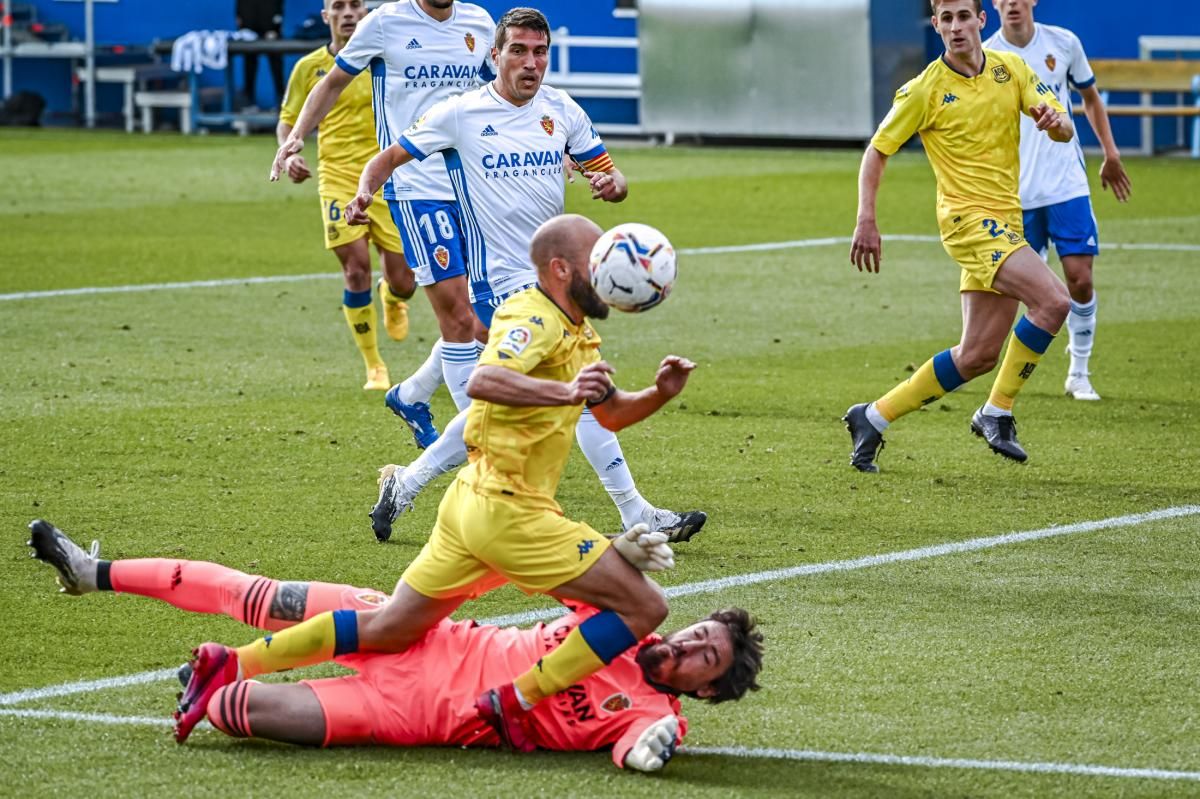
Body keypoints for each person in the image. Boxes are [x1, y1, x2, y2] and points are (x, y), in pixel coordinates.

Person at [174, 214, 700, 753]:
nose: (604, 273)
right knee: (644, 608)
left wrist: (660, 392)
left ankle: (231, 662)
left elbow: (608, 413)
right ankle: (514, 701)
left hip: (472, 502)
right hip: (511, 513)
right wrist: (565, 395)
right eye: (596, 261)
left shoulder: (578, 331)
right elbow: (483, 379)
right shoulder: (532, 317)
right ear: (562, 269)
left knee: (390, 628)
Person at [355, 7, 706, 543]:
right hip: (501, 286)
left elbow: (606, 171)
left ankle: (405, 483)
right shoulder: (461, 113)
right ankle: (636, 513)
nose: (530, 62)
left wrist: (612, 185)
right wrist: (364, 191)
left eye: (539, 52)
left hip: (559, 282)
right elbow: (389, 158)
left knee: (551, 400)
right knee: (578, 392)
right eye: (518, 50)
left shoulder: (561, 109)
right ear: (494, 56)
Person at [27, 519, 763, 771]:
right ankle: (94, 571)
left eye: (707, 657)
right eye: (700, 633)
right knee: (256, 594)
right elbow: (553, 560)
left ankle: (218, 680)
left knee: (238, 711)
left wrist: (653, 746)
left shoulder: (650, 713)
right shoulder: (622, 618)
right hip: (413, 627)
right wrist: (614, 549)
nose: (691, 644)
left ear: (703, 690)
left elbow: (635, 745)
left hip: (410, 709)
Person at [844, 0, 1075, 472]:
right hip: (967, 224)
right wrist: (866, 218)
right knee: (1054, 302)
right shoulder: (923, 89)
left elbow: (1061, 126)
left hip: (1006, 222)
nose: (955, 27)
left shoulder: (1011, 69)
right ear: (936, 25)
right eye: (945, 19)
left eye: (962, 17)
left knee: (977, 355)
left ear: (979, 20)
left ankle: (873, 416)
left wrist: (1058, 123)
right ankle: (998, 412)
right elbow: (877, 151)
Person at [271, 0, 497, 420]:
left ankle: (412, 393)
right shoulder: (384, 24)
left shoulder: (479, 22)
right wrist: (296, 136)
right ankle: (479, 442)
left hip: (472, 185)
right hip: (409, 184)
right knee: (453, 313)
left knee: (484, 316)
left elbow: (498, 92)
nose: (347, 12)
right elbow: (333, 82)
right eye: (338, 7)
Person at [985, 0, 1132, 401]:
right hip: (1015, 190)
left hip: (1066, 183)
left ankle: (1079, 373)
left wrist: (1111, 153)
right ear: (994, 5)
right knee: (1012, 290)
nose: (1012, 4)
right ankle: (982, 359)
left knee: (1080, 279)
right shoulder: (988, 55)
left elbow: (1090, 97)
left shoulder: (1064, 43)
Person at [278, 0, 416, 391]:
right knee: (355, 268)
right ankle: (374, 365)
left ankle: (392, 296)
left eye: (355, 5)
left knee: (406, 279)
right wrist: (290, 153)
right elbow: (287, 121)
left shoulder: (388, 60)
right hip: (337, 177)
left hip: (389, 177)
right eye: (338, 6)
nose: (348, 13)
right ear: (326, 16)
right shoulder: (308, 68)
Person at [237, 0, 286, 109]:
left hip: (270, 25)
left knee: (276, 62)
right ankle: (248, 102)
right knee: (249, 62)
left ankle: (282, 102)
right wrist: (242, 24)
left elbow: (277, 5)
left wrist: (275, 26)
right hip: (249, 25)